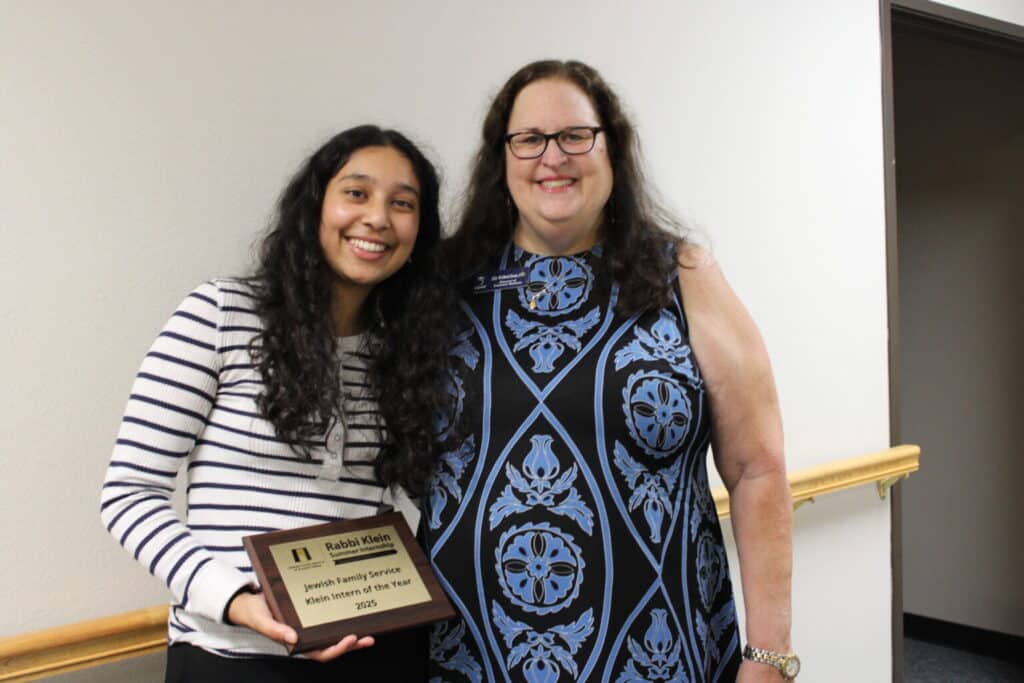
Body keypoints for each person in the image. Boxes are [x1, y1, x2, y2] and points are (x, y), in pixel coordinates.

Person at [423, 61, 795, 682]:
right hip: (471, 649)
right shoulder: (446, 284)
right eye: (530, 139)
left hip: (657, 647)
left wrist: (771, 656)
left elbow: (759, 469)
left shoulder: (682, 275)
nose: (553, 157)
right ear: (502, 157)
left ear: (612, 147)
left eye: (576, 135)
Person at [100, 125, 448, 682]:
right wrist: (239, 601)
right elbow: (128, 495)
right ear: (314, 207)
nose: (379, 217)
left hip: (374, 655)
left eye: (402, 204)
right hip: (229, 657)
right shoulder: (221, 315)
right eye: (356, 193)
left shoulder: (407, 353)